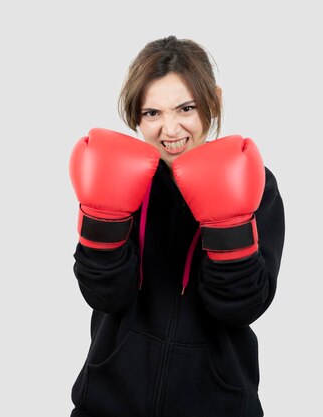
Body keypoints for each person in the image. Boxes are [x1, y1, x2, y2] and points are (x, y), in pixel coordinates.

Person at [68, 35, 285, 417]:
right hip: (109, 404)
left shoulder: (254, 184)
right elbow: (105, 296)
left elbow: (242, 308)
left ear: (213, 101)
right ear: (137, 116)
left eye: (186, 108)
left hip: (218, 406)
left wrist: (227, 222)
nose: (170, 129)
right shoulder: (117, 177)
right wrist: (104, 220)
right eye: (152, 113)